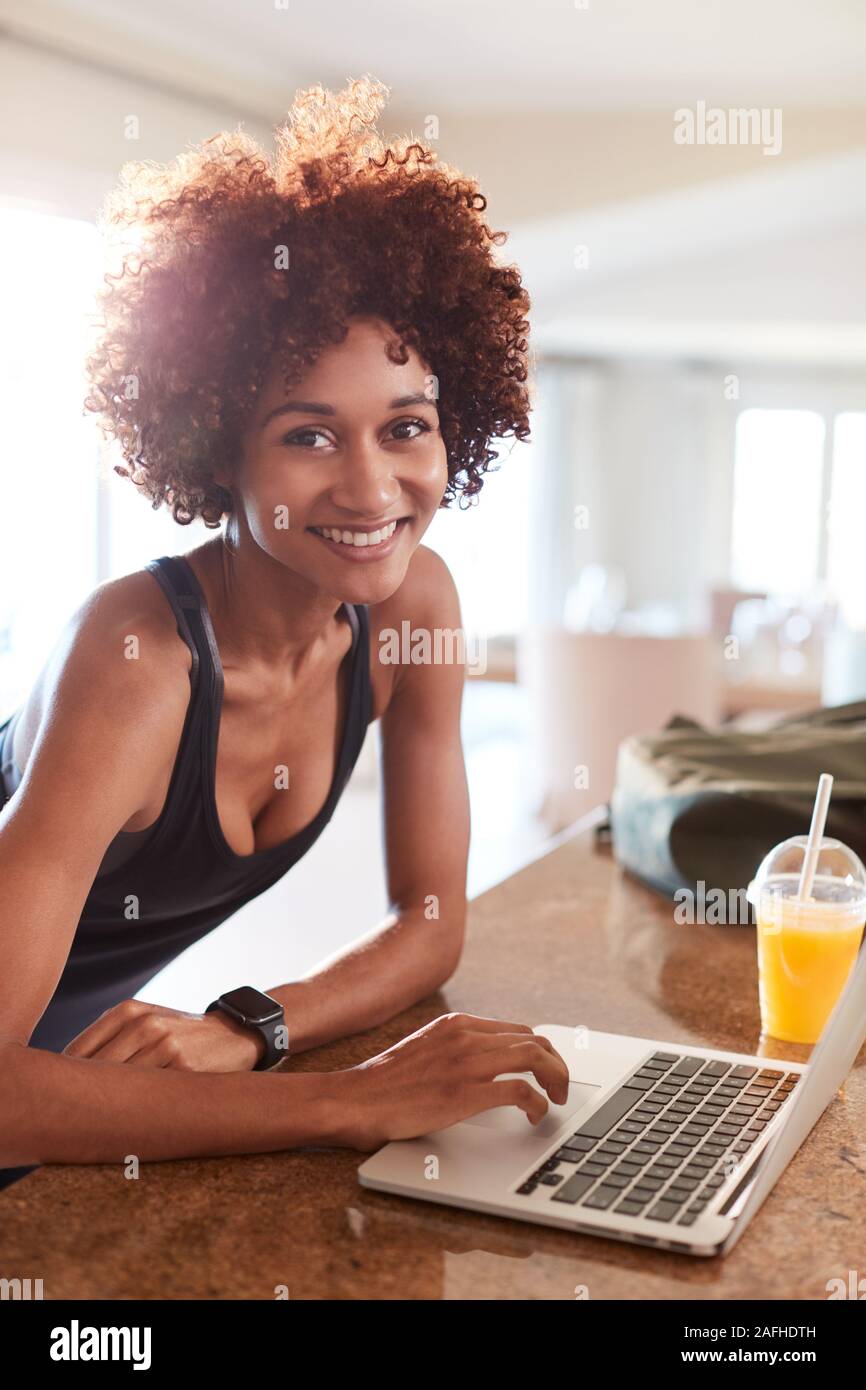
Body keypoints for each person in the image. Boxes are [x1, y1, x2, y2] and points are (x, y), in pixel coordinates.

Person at [0, 77, 569, 1188]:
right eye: (309, 435)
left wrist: (247, 1027)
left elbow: (432, 919)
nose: (372, 488)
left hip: (69, 1096)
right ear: (218, 452)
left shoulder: (415, 609)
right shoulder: (138, 662)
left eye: (405, 427)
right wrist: (350, 1101)